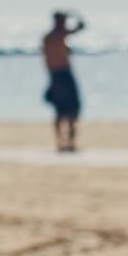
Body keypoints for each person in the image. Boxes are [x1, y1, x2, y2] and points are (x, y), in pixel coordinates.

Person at [42, 11, 85, 152]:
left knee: (61, 112)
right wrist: (75, 14)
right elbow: (81, 26)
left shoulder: (49, 38)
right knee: (70, 110)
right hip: (63, 75)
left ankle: (62, 142)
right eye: (64, 20)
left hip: (54, 76)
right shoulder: (58, 35)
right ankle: (68, 143)